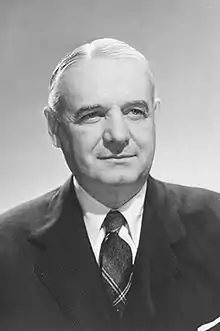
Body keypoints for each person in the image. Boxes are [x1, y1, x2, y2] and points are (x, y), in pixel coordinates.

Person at [0, 38, 220, 331]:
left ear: (155, 115)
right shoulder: (6, 251)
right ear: (53, 128)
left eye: (135, 112)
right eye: (92, 115)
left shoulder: (216, 226)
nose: (118, 135)